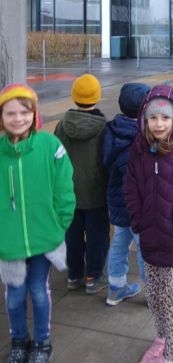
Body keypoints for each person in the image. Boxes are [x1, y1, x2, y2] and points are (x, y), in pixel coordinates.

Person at [124, 85, 173, 363]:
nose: (159, 124)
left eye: (165, 118)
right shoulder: (139, 149)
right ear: (144, 119)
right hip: (149, 236)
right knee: (153, 294)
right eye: (153, 118)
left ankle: (172, 356)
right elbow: (131, 188)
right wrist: (137, 221)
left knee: (169, 299)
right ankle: (162, 339)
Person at [0, 84, 75, 363]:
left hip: (44, 237)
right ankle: (19, 340)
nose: (18, 118)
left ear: (34, 114)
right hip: (8, 242)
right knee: (14, 296)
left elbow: (64, 187)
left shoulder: (50, 146)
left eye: (24, 112)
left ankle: (42, 342)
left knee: (39, 292)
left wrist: (60, 221)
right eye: (10, 113)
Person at [54, 74, 109, 295]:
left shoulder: (61, 126)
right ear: (97, 96)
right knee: (97, 237)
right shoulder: (104, 127)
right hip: (96, 193)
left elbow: (55, 159)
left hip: (68, 192)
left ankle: (74, 274)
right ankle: (93, 277)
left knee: (72, 236)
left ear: (74, 96)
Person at [103, 82, 149, 306]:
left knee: (120, 242)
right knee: (144, 247)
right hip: (137, 203)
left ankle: (115, 287)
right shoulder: (140, 136)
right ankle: (152, 293)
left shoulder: (111, 128)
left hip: (116, 199)